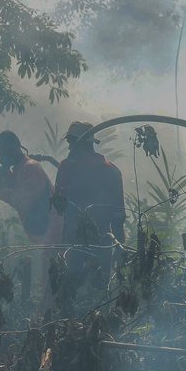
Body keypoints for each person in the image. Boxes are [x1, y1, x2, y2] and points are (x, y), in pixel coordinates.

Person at [0, 131, 61, 306]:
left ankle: (49, 316)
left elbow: (24, 201)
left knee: (51, 278)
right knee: (51, 276)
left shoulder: (30, 168)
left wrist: (1, 188)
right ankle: (50, 312)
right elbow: (19, 187)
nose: (2, 158)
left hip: (53, 229)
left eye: (3, 153)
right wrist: (4, 176)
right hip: (47, 231)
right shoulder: (21, 169)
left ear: (15, 147)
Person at [54, 121, 126, 288]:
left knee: (72, 290)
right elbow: (118, 216)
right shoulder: (111, 170)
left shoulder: (67, 167)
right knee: (99, 293)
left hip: (75, 242)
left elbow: (59, 206)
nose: (69, 147)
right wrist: (119, 247)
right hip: (104, 242)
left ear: (79, 143)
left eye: (71, 142)